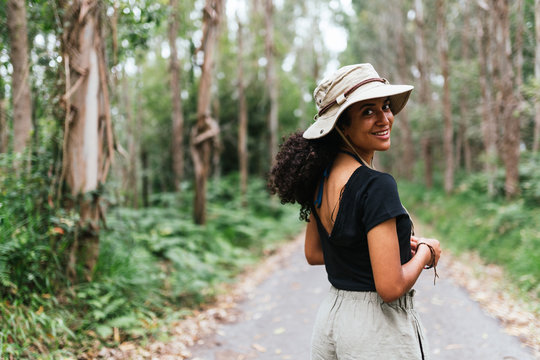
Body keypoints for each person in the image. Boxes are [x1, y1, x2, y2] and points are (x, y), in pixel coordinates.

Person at [268, 63, 442, 359]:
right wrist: (428, 250)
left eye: (385, 106)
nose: (385, 118)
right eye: (367, 111)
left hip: (332, 322)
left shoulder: (321, 177)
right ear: (341, 125)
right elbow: (389, 287)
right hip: (376, 331)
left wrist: (377, 254)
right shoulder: (377, 185)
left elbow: (314, 252)